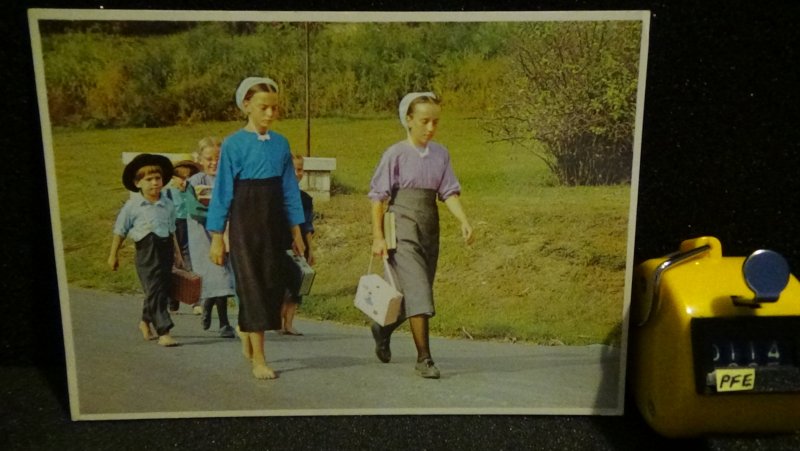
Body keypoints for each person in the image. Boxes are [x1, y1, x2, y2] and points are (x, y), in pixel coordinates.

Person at [368, 92, 475, 379]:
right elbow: (378, 198)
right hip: (401, 223)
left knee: (413, 294)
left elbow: (448, 191)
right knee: (419, 291)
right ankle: (424, 358)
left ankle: (382, 328)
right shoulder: (395, 154)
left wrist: (463, 220)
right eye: (425, 121)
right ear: (409, 120)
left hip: (429, 224)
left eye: (435, 122)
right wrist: (378, 236)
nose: (430, 128)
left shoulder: (441, 154)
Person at [206, 77, 306, 380]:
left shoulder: (281, 144)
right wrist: (216, 237)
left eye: (274, 108)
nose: (270, 114)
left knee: (271, 284)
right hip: (244, 221)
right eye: (263, 107)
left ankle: (247, 328)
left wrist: (297, 231)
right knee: (251, 286)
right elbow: (223, 191)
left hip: (273, 221)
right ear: (246, 106)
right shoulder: (234, 144)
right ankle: (260, 359)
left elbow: (289, 189)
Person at [108, 153, 184, 347]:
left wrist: (178, 254)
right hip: (146, 250)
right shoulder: (133, 206)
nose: (154, 183)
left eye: (157, 178)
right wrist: (113, 255)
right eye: (148, 180)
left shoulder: (167, 204)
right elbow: (120, 231)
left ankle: (145, 321)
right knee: (154, 287)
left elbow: (172, 229)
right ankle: (164, 331)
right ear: (138, 183)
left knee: (160, 288)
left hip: (165, 247)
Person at [185, 137, 236, 338]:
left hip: (226, 234)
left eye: (219, 157)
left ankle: (210, 307)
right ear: (200, 159)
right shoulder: (195, 182)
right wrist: (221, 213)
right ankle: (223, 321)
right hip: (203, 235)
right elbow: (194, 210)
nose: (214, 162)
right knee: (217, 274)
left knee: (223, 275)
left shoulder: (229, 180)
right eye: (209, 158)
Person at [280, 154, 316, 336]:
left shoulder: (306, 199)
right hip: (281, 242)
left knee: (296, 284)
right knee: (280, 283)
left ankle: (289, 322)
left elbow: (308, 226)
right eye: (293, 169)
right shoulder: (277, 195)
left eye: (300, 169)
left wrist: (311, 249)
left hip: (300, 244)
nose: (296, 173)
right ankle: (278, 320)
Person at [164, 159, 202, 314]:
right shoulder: (167, 194)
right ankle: (172, 300)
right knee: (173, 264)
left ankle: (195, 301)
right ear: (173, 178)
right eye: (181, 177)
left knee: (190, 261)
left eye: (188, 177)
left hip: (189, 226)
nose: (184, 181)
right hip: (173, 228)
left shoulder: (192, 192)